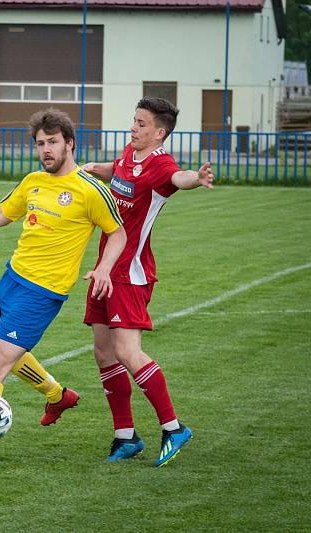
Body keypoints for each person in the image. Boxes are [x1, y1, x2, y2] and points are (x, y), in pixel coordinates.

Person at [0, 109, 127, 469]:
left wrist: (104, 268)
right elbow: (2, 213)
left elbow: (118, 232)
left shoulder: (90, 190)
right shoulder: (33, 181)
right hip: (12, 278)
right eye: (40, 144)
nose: (46, 150)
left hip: (43, 292)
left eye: (53, 142)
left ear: (69, 143)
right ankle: (57, 396)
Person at [81, 96, 214, 467]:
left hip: (130, 273)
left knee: (127, 351)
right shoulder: (129, 154)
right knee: (104, 351)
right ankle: (126, 436)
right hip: (105, 267)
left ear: (160, 133)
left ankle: (173, 428)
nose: (133, 128)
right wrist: (94, 168)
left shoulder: (160, 165)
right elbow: (119, 170)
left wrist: (195, 178)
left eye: (141, 124)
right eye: (134, 121)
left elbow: (178, 178)